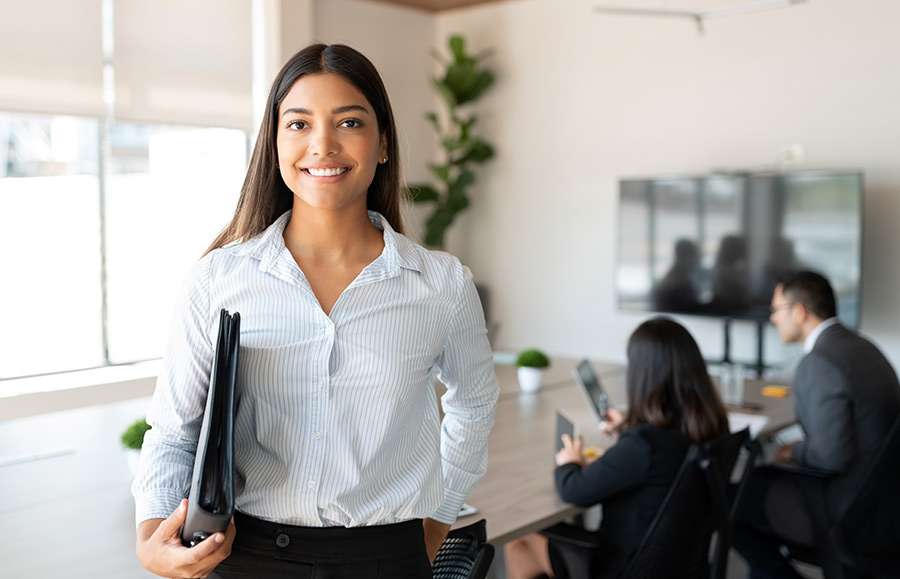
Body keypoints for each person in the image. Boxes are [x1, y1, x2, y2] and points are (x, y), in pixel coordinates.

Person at [131, 43, 499, 579]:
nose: (322, 145)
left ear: (383, 144)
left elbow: (475, 405)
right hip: (245, 558)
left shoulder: (441, 283)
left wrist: (438, 520)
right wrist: (151, 537)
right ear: (275, 144)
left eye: (348, 122)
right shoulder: (218, 279)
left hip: (388, 559)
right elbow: (174, 431)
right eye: (298, 124)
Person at [504, 318, 730, 579]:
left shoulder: (642, 445)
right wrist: (627, 429)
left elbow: (573, 489)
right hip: (676, 563)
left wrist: (569, 462)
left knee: (520, 540)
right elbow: (662, 451)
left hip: (624, 568)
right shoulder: (709, 427)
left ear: (643, 375)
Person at [733, 270, 900, 578]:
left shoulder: (819, 362)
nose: (772, 319)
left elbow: (829, 457)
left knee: (728, 498)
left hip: (844, 506)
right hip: (882, 499)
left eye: (776, 310)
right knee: (758, 482)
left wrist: (791, 451)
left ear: (799, 312)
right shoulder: (864, 347)